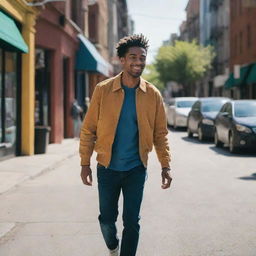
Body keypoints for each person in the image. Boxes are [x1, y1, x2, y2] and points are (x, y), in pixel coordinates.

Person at [79, 34, 172, 256]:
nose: (138, 61)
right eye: (133, 57)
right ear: (122, 59)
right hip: (107, 167)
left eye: (142, 57)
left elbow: (161, 134)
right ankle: (113, 246)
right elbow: (88, 129)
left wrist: (165, 165)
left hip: (136, 169)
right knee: (106, 219)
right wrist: (85, 163)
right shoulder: (103, 90)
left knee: (132, 221)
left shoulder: (153, 95)